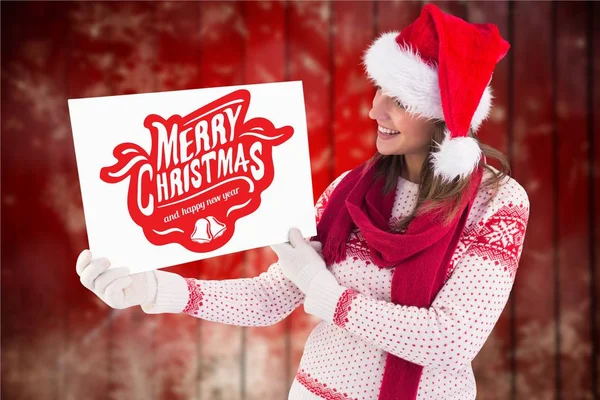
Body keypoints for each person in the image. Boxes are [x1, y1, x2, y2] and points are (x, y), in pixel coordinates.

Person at [75, 4, 530, 400]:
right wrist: (155, 288)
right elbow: (271, 297)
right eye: (379, 91)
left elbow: (451, 341)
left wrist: (330, 297)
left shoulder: (499, 204)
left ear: (445, 114)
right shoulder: (348, 192)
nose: (375, 111)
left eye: (400, 101)